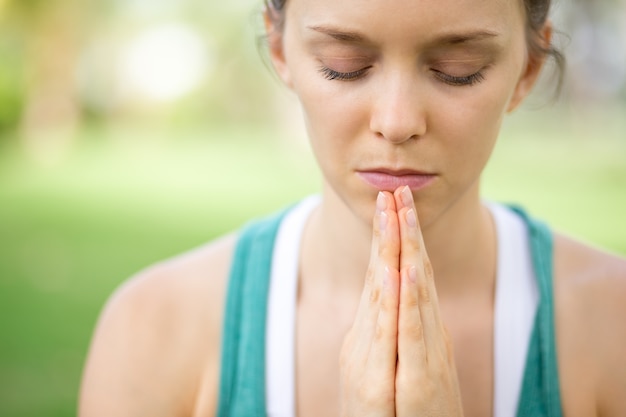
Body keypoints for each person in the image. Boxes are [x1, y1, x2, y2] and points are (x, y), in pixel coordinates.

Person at [78, 0, 626, 415]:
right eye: (345, 65)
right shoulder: (153, 330)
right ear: (279, 50)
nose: (397, 120)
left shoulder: (612, 326)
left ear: (526, 69)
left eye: (459, 69)